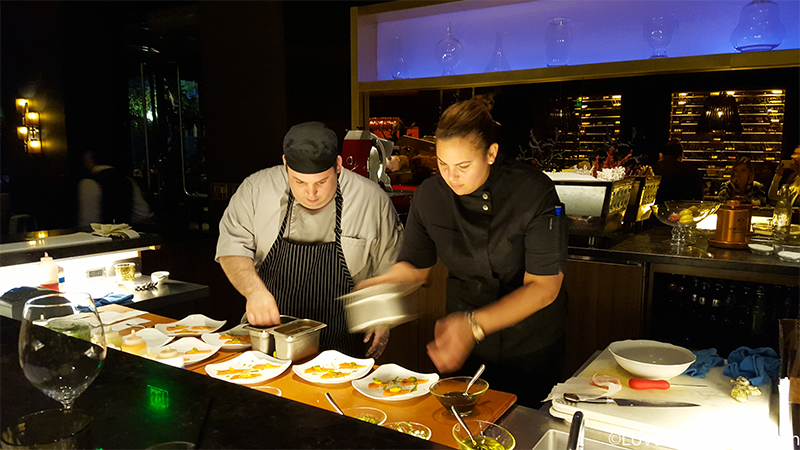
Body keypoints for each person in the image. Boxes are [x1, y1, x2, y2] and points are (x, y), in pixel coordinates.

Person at [356, 96, 567, 407]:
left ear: (491, 153)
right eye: (442, 164)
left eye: (463, 166)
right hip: (462, 347)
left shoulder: (535, 192)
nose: (451, 176)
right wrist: (384, 286)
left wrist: (472, 326)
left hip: (528, 346)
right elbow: (415, 265)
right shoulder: (430, 196)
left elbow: (545, 287)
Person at [215, 122, 403, 358]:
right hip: (268, 343)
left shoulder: (372, 201)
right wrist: (254, 292)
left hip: (343, 349)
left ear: (337, 165)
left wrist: (383, 313)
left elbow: (394, 267)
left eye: (321, 182)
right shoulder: (255, 190)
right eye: (299, 182)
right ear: (285, 164)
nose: (311, 194)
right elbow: (231, 248)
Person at [77, 151, 153, 228]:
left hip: (100, 237)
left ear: (89, 159)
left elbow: (87, 223)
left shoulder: (89, 183)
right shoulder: (128, 181)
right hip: (125, 236)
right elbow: (143, 215)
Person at [652, 138, 704, 204]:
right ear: (682, 157)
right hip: (684, 212)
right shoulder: (692, 171)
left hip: (656, 211)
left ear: (661, 155)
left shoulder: (653, 170)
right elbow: (699, 197)